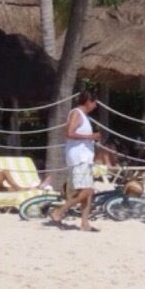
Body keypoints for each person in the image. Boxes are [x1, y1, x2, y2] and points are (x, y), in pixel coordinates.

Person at [45, 92, 101, 231]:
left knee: (86, 192)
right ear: (88, 101)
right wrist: (91, 136)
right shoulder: (76, 113)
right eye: (94, 103)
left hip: (84, 158)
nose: (95, 106)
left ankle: (84, 223)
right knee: (87, 191)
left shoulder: (83, 116)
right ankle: (59, 211)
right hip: (79, 158)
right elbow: (69, 133)